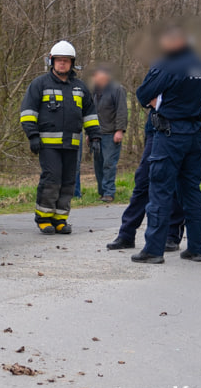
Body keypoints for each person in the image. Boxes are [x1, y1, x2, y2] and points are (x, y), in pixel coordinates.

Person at [131, 25, 201, 264]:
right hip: (194, 134)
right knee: (191, 191)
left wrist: (159, 100)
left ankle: (154, 250)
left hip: (169, 134)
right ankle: (197, 248)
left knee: (160, 190)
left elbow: (143, 93)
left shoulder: (169, 64)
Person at [20, 41, 101, 234]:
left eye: (66, 61)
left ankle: (60, 218)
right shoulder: (39, 84)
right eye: (59, 61)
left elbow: (90, 115)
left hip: (72, 144)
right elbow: (27, 112)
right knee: (52, 179)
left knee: (68, 181)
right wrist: (32, 135)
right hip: (47, 145)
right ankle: (44, 218)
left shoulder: (80, 88)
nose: (62, 64)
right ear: (52, 62)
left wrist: (95, 137)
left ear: (72, 63)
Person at [106, 110, 186, 251]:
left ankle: (172, 235)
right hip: (154, 129)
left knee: (174, 183)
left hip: (178, 129)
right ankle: (126, 234)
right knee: (143, 181)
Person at [90, 65, 128, 202]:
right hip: (96, 134)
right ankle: (101, 191)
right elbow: (91, 112)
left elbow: (122, 111)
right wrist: (89, 132)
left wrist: (119, 130)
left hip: (111, 134)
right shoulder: (95, 91)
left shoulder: (117, 89)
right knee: (98, 164)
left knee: (109, 163)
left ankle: (109, 192)